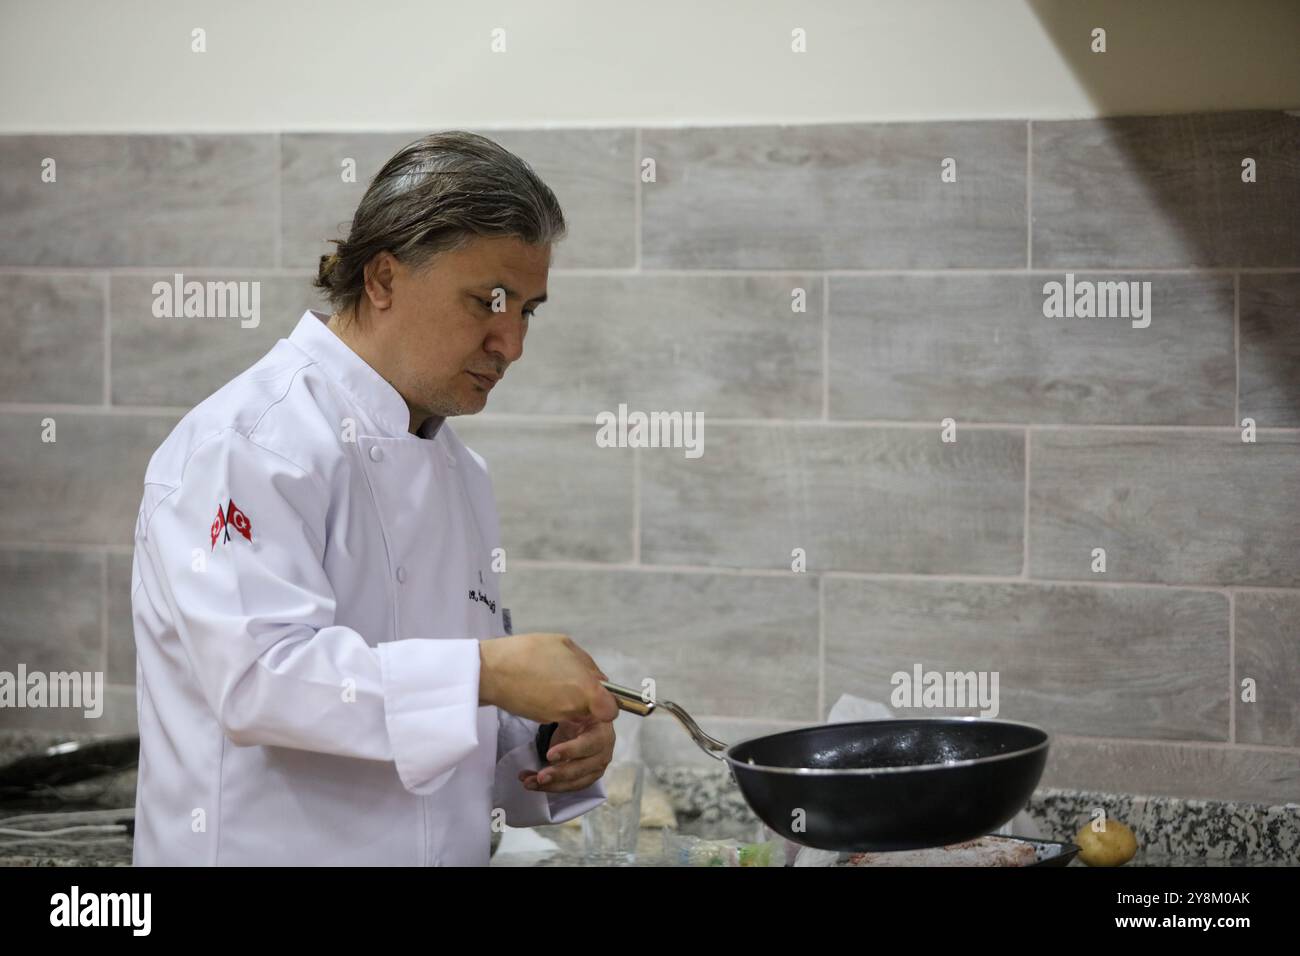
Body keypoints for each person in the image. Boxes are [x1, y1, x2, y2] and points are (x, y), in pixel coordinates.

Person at [130, 131, 618, 866]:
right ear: (384, 279)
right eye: (489, 300)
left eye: (528, 310)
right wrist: (488, 672)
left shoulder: (460, 472)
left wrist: (544, 743)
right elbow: (258, 681)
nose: (511, 342)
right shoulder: (246, 445)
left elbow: (424, 728)